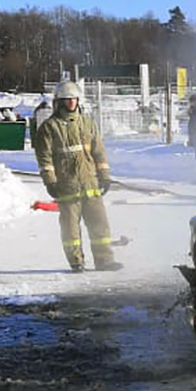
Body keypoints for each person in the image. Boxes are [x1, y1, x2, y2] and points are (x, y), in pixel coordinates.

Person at [32, 80, 122, 272]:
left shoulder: (87, 123)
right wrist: (50, 182)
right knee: (70, 229)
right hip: (67, 185)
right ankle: (76, 261)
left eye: (74, 99)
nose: (71, 102)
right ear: (59, 102)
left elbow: (99, 153)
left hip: (90, 184)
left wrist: (104, 176)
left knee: (100, 225)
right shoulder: (49, 128)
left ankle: (104, 260)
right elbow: (45, 159)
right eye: (67, 99)